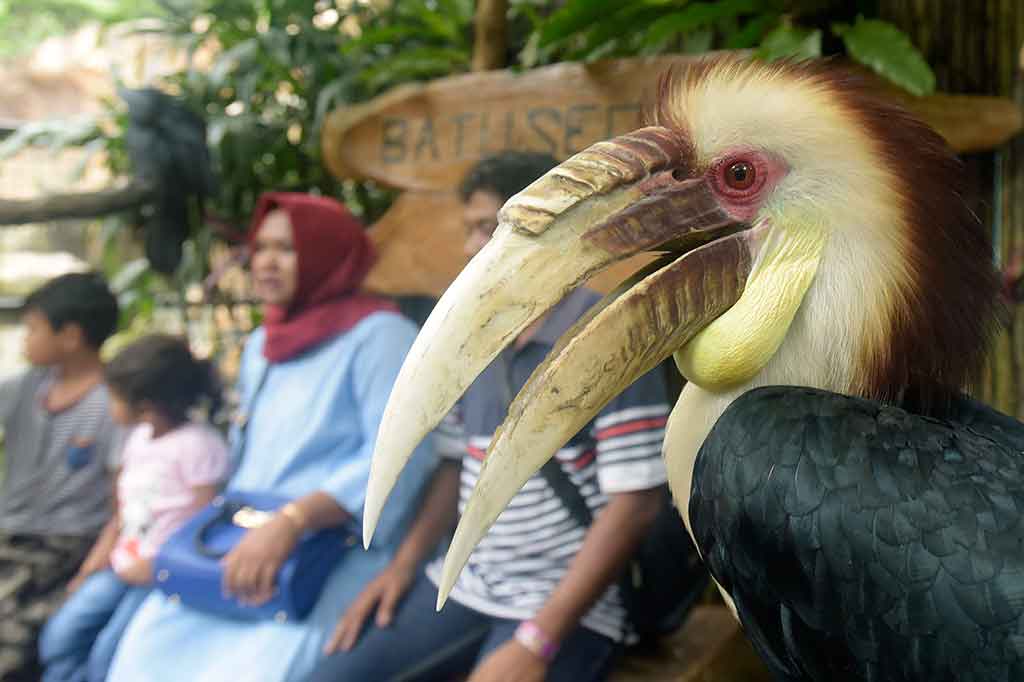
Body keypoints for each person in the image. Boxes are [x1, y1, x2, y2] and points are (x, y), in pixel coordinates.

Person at [311, 152, 673, 682]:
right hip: (466, 585)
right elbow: (454, 466)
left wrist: (537, 640)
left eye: (488, 228)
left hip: (571, 605)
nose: (469, 248)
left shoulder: (607, 331)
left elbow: (634, 505)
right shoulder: (473, 339)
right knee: (331, 674)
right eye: (469, 229)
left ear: (545, 228)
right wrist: (404, 568)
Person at [107, 192, 436, 682]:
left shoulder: (381, 335)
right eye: (259, 248)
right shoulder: (265, 343)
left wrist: (294, 520)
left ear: (329, 254)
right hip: (241, 540)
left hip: (327, 548)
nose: (265, 262)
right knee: (142, 653)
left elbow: (403, 456)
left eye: (288, 249)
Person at [38, 334, 229, 682]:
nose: (107, 405)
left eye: (112, 397)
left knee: (110, 653)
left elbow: (208, 521)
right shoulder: (138, 439)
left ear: (145, 407)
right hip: (119, 566)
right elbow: (125, 510)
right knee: (59, 637)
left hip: (158, 575)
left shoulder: (199, 446)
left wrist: (160, 564)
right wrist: (98, 555)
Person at [0, 272, 123, 681]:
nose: (25, 339)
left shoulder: (114, 404)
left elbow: (123, 503)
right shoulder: (24, 389)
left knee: (15, 647)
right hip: (11, 538)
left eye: (32, 329)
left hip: (65, 546)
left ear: (70, 336)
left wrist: (90, 570)